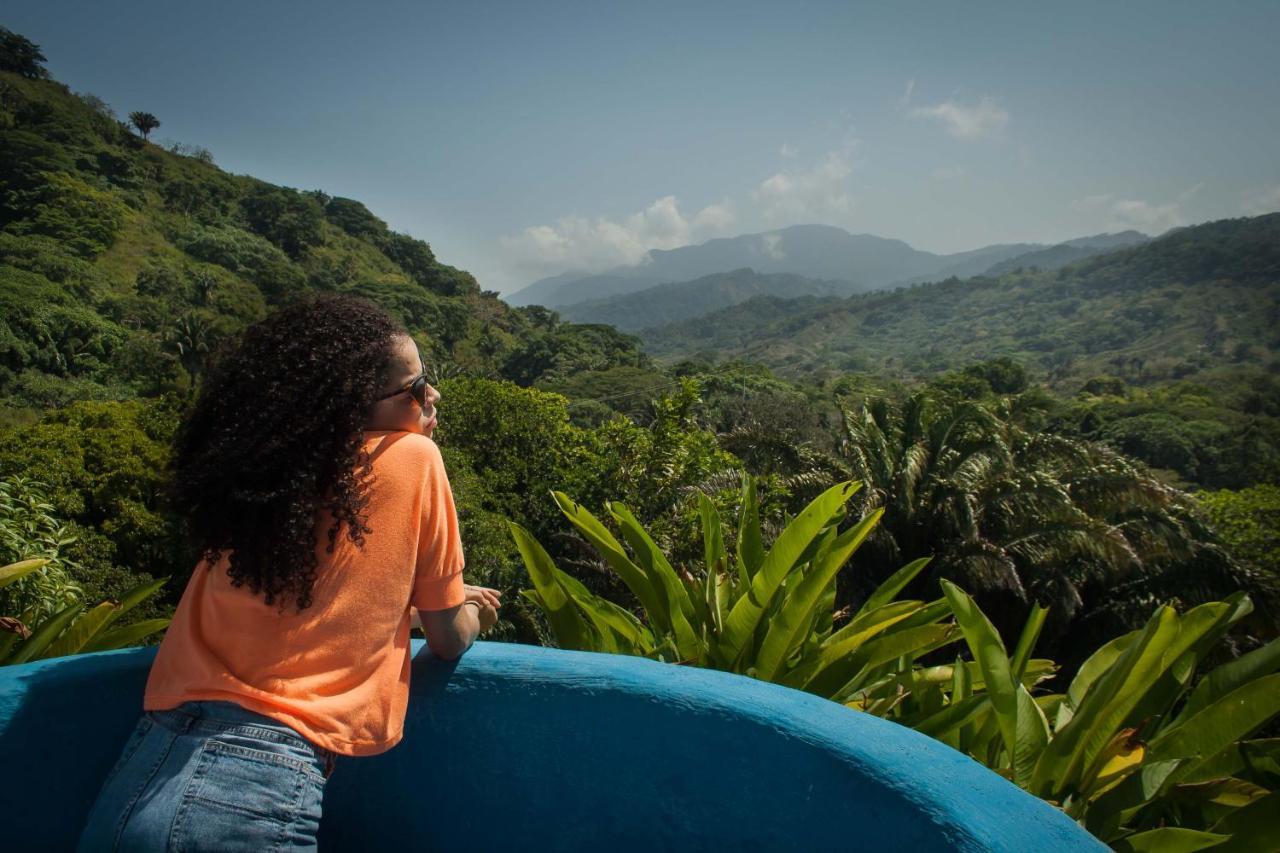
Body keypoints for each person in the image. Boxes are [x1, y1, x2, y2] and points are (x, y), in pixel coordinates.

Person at [76, 293, 500, 851]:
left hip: (146, 770)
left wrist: (407, 617)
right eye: (415, 388)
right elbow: (449, 641)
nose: (432, 395)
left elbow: (312, 610)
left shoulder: (264, 486)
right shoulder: (415, 457)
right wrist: (469, 609)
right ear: (352, 406)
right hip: (255, 783)